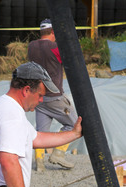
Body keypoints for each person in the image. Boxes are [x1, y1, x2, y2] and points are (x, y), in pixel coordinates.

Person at [28, 18, 78, 171]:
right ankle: (58, 153)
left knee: (41, 132)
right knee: (75, 124)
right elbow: (70, 63)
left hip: (38, 98)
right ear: (53, 32)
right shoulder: (56, 48)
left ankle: (39, 161)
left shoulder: (31, 46)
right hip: (54, 96)